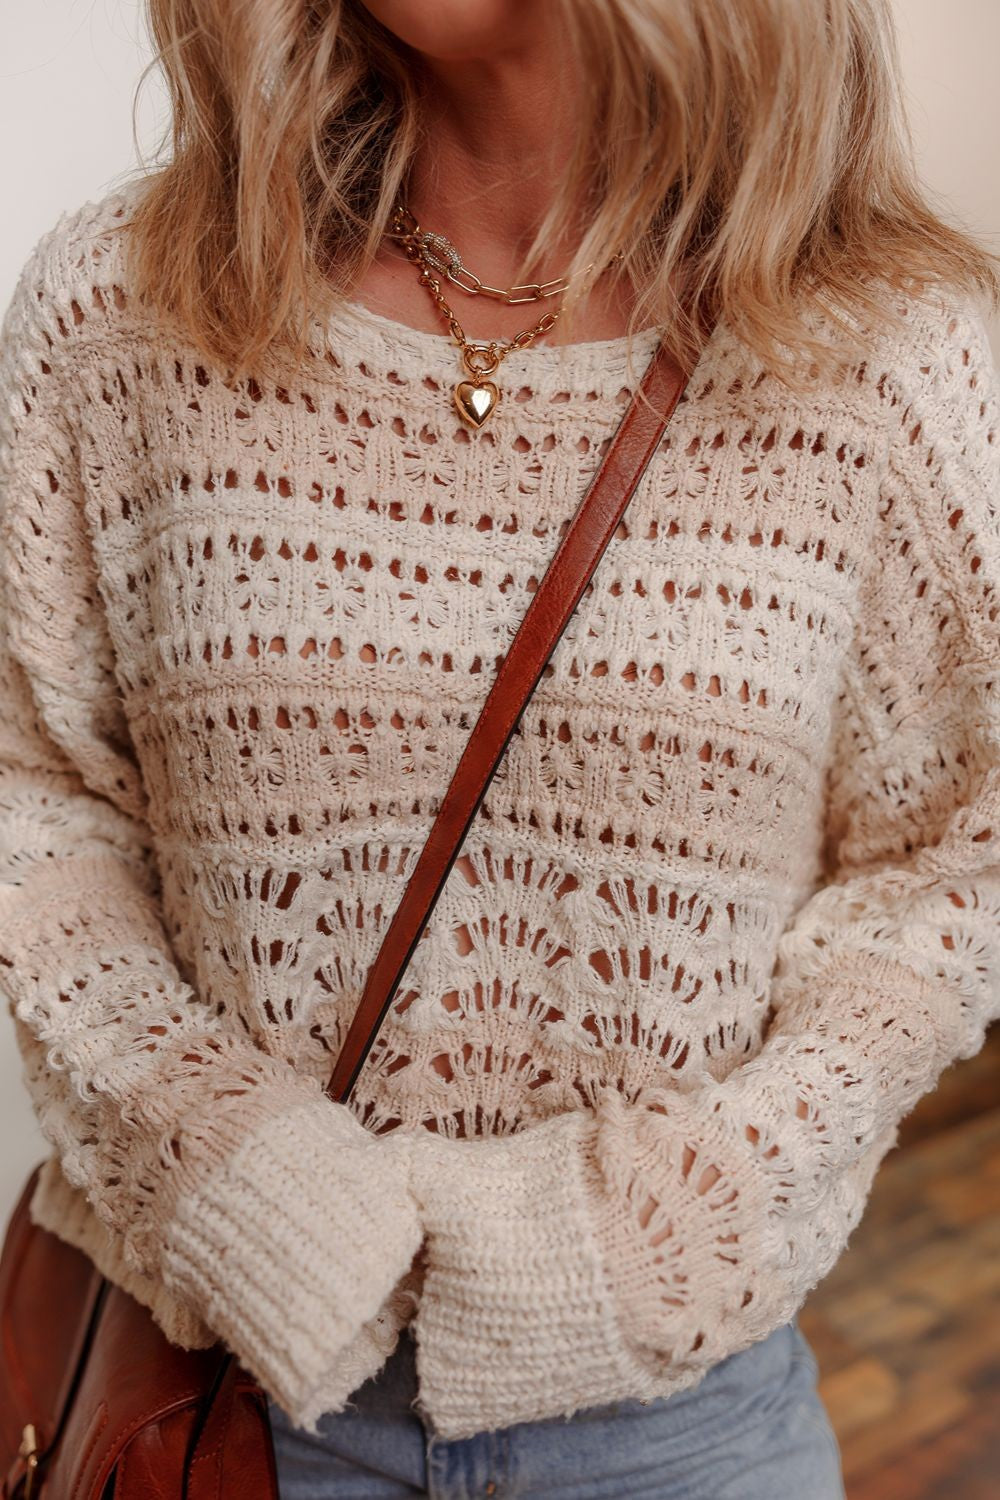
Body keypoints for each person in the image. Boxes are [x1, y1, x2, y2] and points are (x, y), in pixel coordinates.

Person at [1, 0, 999, 1495]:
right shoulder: (126, 311)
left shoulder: (883, 346)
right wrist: (215, 1156)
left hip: (684, 1433)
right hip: (231, 1417)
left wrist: (690, 1210)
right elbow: (38, 799)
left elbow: (959, 857)